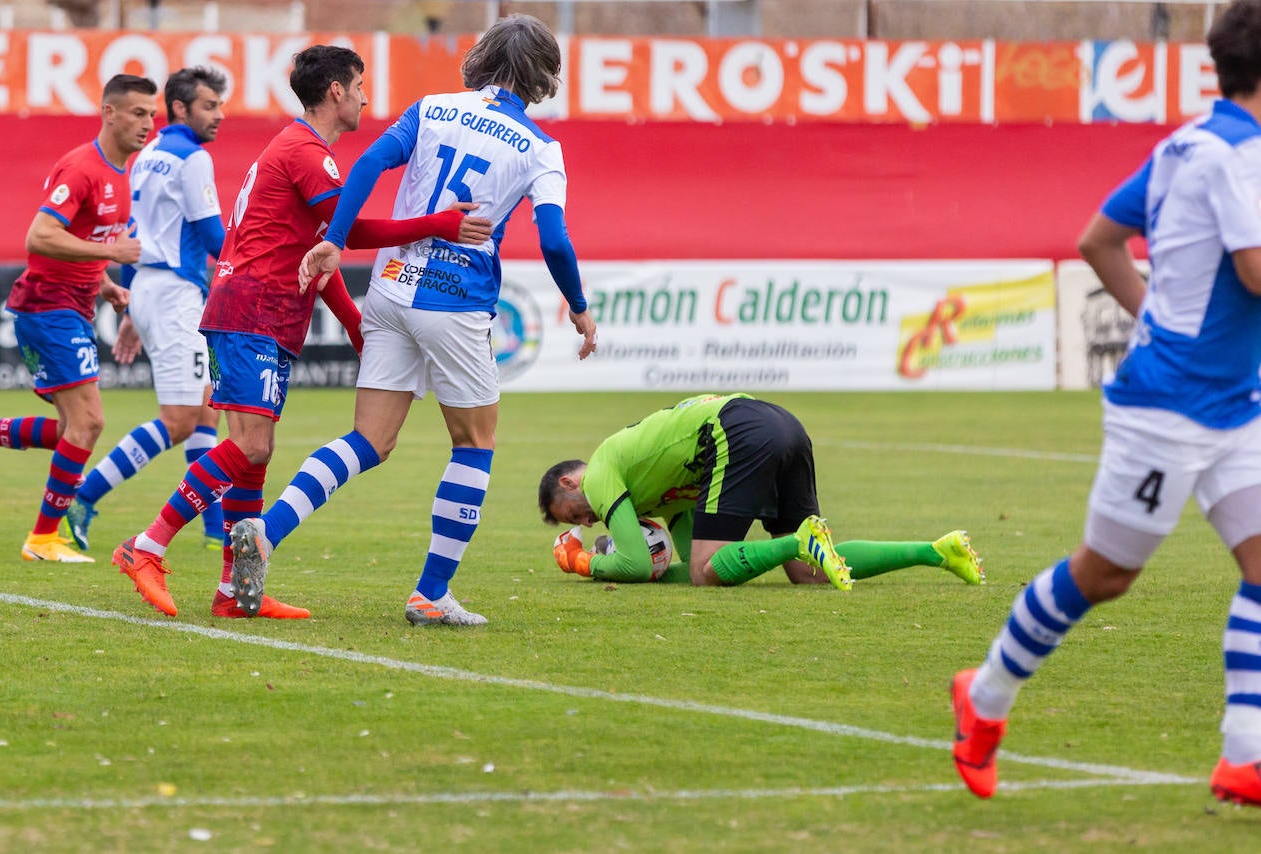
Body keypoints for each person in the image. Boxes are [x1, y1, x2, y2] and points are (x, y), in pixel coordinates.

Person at [950, 0, 1261, 807]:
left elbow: (1098, 238)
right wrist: (1166, 327)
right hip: (1167, 408)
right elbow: (1257, 271)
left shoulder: (1186, 143)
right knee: (1106, 574)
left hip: (1234, 405)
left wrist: (1157, 316)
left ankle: (1245, 756)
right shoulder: (1238, 155)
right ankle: (982, 699)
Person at [227, 13, 598, 628]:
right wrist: (579, 308)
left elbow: (369, 165)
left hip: (392, 288)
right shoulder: (540, 147)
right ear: (542, 72)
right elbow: (554, 241)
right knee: (474, 443)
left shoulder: (432, 108)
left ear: (481, 57)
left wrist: (337, 241)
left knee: (368, 440)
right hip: (456, 303)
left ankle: (266, 532)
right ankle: (431, 592)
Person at [110, 45, 493, 620]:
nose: (366, 96)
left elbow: (322, 256)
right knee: (249, 445)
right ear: (336, 91)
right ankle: (147, 545)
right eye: (360, 84)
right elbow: (351, 232)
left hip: (263, 311)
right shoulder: (306, 151)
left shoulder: (297, 148)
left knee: (256, 457)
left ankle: (234, 592)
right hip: (252, 310)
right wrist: (439, 224)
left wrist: (356, 324)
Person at [0, 74, 157, 563]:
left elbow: (77, 244)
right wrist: (109, 251)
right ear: (109, 113)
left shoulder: (120, 173)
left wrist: (106, 282)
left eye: (152, 114)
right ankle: (42, 538)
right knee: (89, 423)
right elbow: (39, 237)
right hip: (47, 306)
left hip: (69, 305)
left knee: (68, 429)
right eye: (138, 113)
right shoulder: (82, 168)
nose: (148, 123)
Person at [538, 393, 985, 588]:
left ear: (570, 482)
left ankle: (801, 539)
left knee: (712, 568)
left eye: (574, 512)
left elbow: (634, 564)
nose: (586, 520)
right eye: (576, 523)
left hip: (734, 432)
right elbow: (691, 568)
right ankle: (937, 552)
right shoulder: (655, 490)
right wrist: (651, 572)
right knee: (805, 572)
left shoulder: (598, 473)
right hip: (780, 422)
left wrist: (582, 561)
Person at [64, 66, 229, 554]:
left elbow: (133, 235)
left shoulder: (149, 153)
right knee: (180, 419)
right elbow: (213, 237)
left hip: (152, 288)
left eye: (219, 105)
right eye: (208, 106)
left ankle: (216, 528)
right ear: (180, 109)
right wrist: (256, 270)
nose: (218, 115)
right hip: (177, 293)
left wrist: (134, 307)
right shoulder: (192, 158)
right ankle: (83, 495)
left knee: (205, 411)